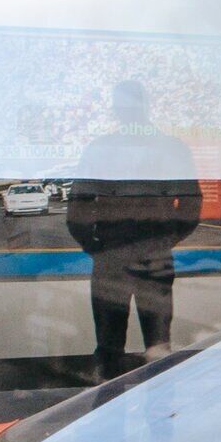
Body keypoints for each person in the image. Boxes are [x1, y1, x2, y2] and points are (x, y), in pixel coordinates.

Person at [62, 80, 201, 382]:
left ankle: (108, 416)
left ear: (116, 109)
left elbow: (77, 208)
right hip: (153, 254)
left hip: (111, 255)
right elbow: (191, 206)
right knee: (158, 349)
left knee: (110, 349)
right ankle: (163, 420)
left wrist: (96, 245)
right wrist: (165, 238)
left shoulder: (99, 149)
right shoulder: (171, 148)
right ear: (145, 106)